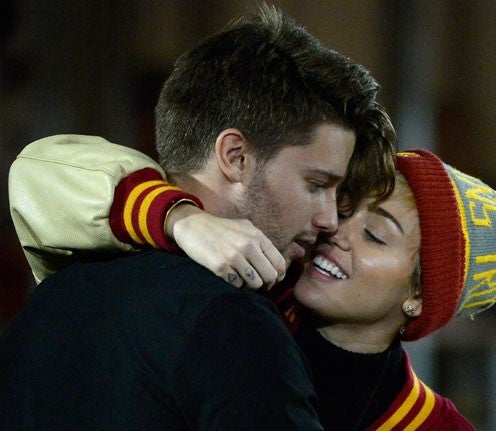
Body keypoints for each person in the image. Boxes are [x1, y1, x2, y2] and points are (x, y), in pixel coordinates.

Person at [1, 5, 396, 430]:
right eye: (316, 184)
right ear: (236, 157)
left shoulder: (51, 298)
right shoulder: (235, 326)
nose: (329, 220)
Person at [7, 135, 496, 429]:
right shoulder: (251, 275)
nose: (334, 229)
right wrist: (181, 219)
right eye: (344, 208)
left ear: (419, 299)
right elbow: (41, 170)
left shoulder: (428, 425)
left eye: (375, 235)